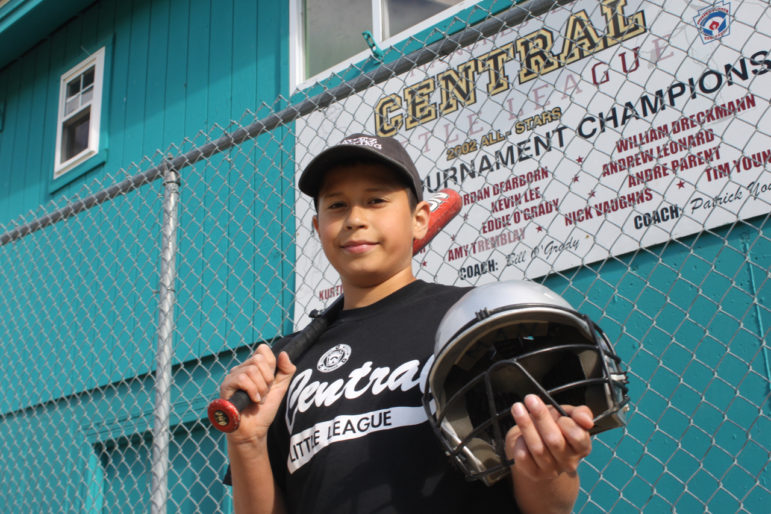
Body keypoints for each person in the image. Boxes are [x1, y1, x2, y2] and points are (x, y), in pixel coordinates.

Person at [219, 134, 595, 513]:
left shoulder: (472, 320)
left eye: (375, 200)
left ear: (419, 220)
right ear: (318, 229)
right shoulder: (285, 363)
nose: (354, 219)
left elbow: (549, 505)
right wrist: (246, 442)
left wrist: (545, 470)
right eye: (337, 205)